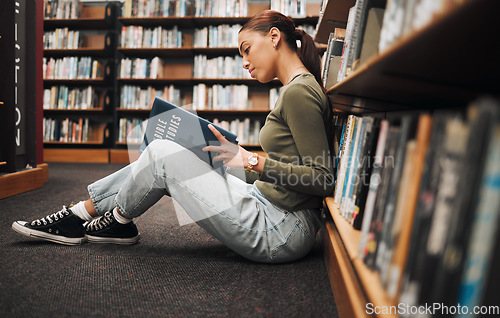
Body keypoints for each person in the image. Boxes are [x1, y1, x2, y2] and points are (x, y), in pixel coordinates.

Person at [12, 10, 335, 263]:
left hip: (281, 228)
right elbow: (293, 161)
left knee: (163, 153)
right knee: (178, 147)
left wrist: (252, 160)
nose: (244, 62)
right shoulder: (296, 89)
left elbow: (323, 179)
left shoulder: (298, 93)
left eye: (246, 49)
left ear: (275, 37)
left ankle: (107, 219)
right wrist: (239, 156)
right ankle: (88, 214)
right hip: (270, 202)